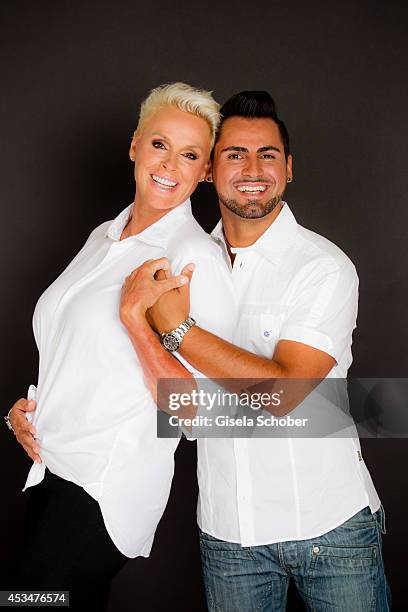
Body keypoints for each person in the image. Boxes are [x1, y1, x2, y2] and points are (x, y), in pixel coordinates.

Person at [115, 91, 391, 611]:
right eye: (234, 154)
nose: (252, 168)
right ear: (210, 172)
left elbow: (285, 393)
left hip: (330, 529)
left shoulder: (323, 267)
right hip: (228, 534)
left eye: (267, 154)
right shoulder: (179, 261)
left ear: (288, 168)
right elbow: (173, 400)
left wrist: (179, 332)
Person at [5, 82, 236, 610]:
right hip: (50, 471)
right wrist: (27, 410)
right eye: (160, 145)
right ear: (135, 145)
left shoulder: (192, 259)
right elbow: (73, 349)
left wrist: (136, 320)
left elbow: (196, 414)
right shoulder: (103, 237)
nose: (170, 165)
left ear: (204, 172)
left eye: (191, 154)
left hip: (101, 489)